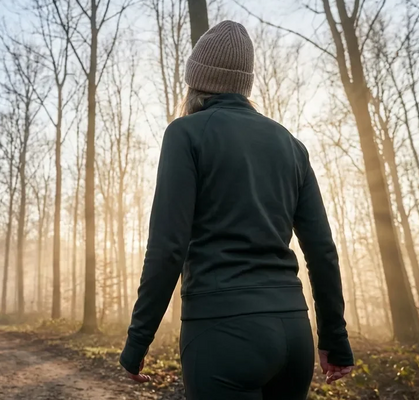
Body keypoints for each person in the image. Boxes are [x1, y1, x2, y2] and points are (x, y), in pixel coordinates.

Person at [119, 20, 354, 400]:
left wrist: (137, 343)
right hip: (294, 336)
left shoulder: (185, 133)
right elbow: (322, 250)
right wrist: (335, 340)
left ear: (196, 80)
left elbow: (167, 248)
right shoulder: (291, 145)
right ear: (245, 83)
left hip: (221, 336)